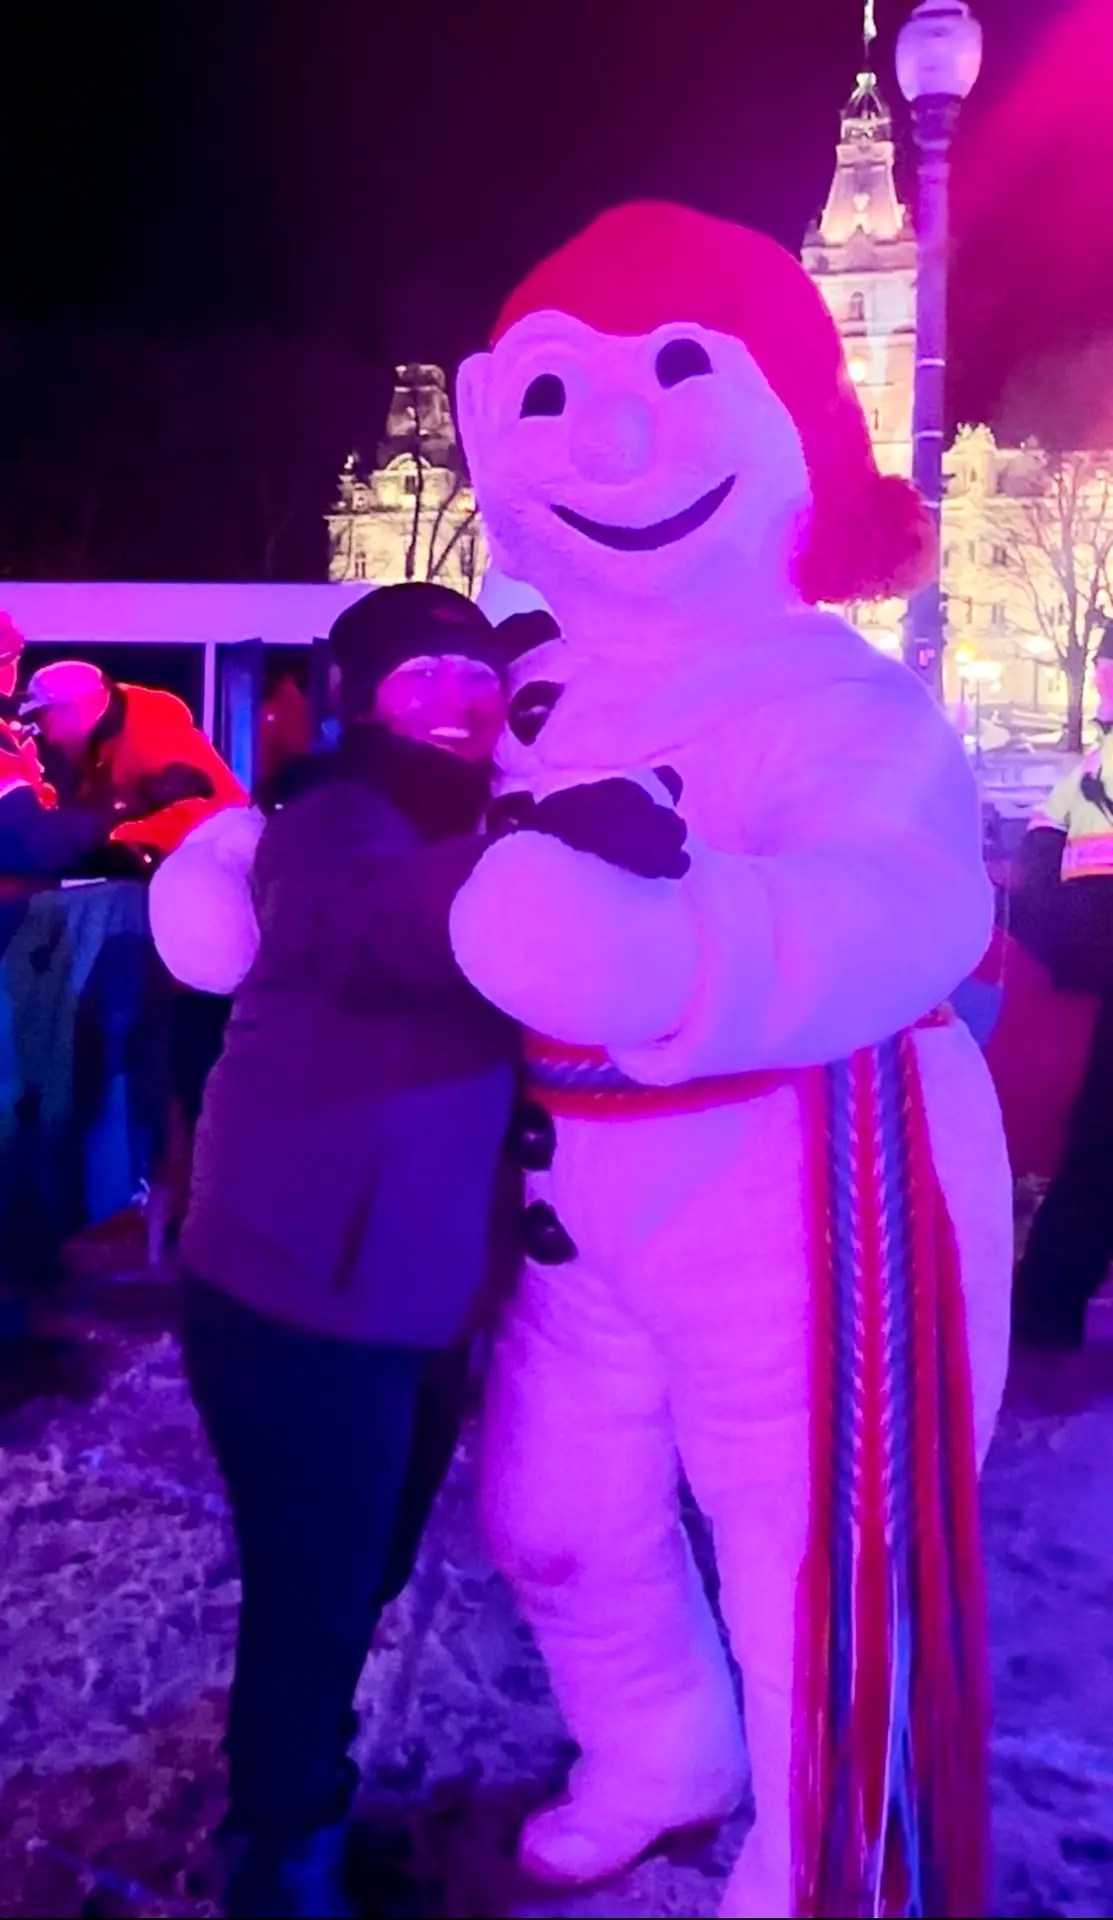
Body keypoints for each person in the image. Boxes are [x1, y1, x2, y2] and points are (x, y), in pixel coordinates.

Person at [445, 203, 1012, 1918]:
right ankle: (657, 1751)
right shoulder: (535, 695)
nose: (604, 440)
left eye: (678, 376)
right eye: (550, 395)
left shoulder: (832, 699)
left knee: (814, 1558)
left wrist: (670, 951)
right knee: (550, 1515)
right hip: (580, 1181)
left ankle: (833, 1860)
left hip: (802, 1170)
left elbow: (902, 903)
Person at [162, 583, 520, 1920]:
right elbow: (374, 923)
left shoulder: (462, 826)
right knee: (317, 1588)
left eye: (478, 677)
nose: (461, 700)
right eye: (425, 675)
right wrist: (536, 848)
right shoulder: (329, 821)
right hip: (295, 1295)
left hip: (408, 1296)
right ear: (362, 693)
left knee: (352, 1568)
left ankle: (291, 1772)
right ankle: (280, 1861)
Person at [1010, 620, 1113, 1348]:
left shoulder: (1091, 767)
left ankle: (1044, 1315)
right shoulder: (1092, 766)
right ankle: (1044, 1310)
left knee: (1096, 1155)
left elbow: (1040, 863)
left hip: (1094, 955)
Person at [20, 659, 245, 862]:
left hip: (219, 860)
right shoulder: (100, 743)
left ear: (76, 708)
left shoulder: (153, 736)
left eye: (44, 718)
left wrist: (118, 837)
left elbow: (207, 813)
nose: (46, 736)